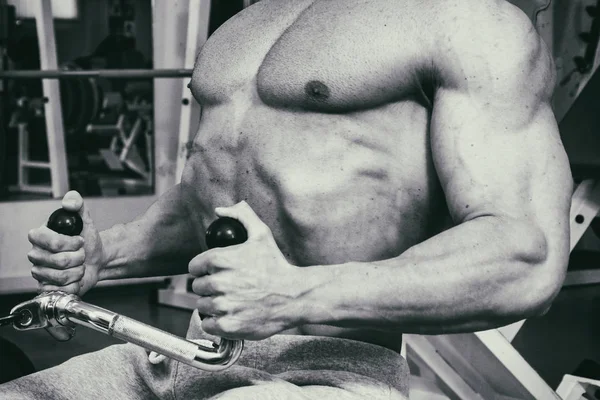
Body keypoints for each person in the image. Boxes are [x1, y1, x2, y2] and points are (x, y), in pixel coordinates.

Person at [0, 0, 572, 398]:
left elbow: (526, 259)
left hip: (328, 375)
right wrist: (107, 254)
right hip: (177, 357)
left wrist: (293, 295)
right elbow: (208, 200)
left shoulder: (470, 23)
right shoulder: (246, 25)